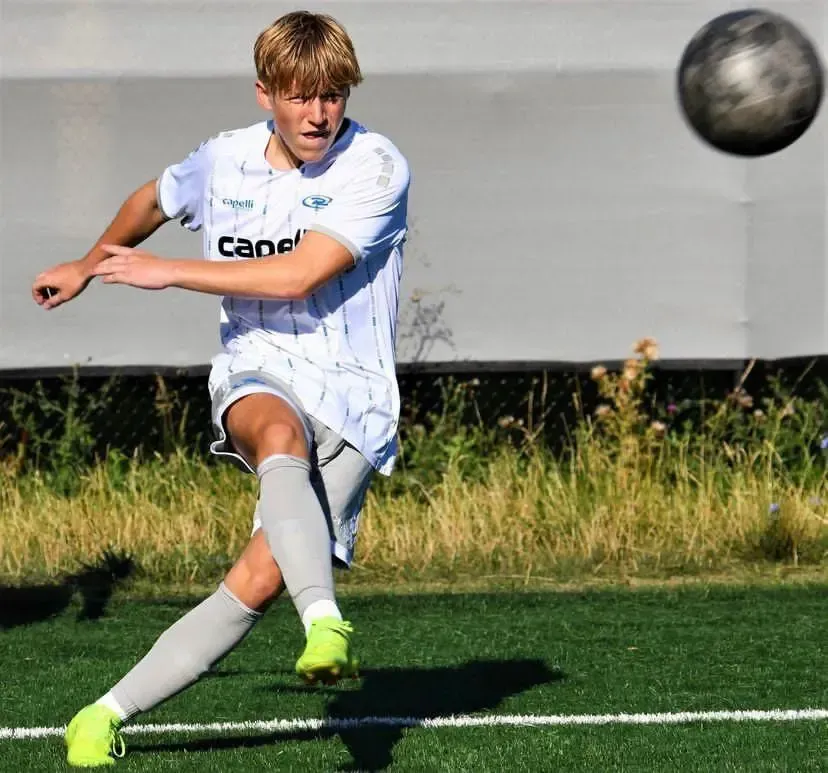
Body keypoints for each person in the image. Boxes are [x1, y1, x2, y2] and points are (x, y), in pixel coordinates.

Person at [32, 10, 410, 768]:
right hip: (257, 363)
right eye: (300, 96)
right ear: (265, 93)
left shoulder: (374, 165)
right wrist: (87, 263)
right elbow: (152, 200)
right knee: (277, 433)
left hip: (354, 396)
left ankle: (101, 714)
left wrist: (170, 271)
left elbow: (300, 274)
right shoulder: (224, 160)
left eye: (332, 94)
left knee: (258, 579)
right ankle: (325, 622)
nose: (319, 113)